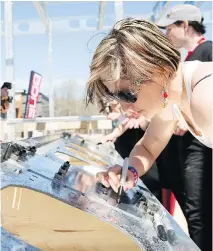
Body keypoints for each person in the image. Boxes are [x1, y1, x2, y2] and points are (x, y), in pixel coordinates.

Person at [86, 17, 212, 249]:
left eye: (126, 94)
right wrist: (130, 171)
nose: (124, 107)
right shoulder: (173, 98)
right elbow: (148, 147)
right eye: (116, 98)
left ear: (157, 68)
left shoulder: (205, 94)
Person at [155, 4, 212, 250]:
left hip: (202, 148)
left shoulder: (207, 53)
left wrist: (185, 118)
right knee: (194, 209)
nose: (166, 34)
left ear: (185, 26)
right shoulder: (187, 59)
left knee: (199, 211)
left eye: (168, 28)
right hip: (190, 146)